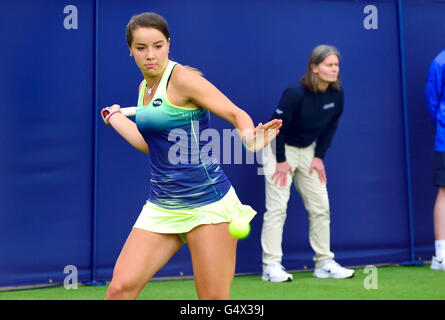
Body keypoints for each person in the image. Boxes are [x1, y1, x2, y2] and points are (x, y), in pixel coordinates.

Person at [100, 12, 282, 300]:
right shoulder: (144, 88)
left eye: (158, 46)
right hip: (162, 206)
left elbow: (236, 113)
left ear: (169, 45)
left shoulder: (182, 79)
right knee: (119, 291)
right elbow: (150, 144)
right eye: (141, 48)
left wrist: (249, 137)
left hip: (208, 207)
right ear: (131, 50)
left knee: (212, 301)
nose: (151, 56)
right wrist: (116, 119)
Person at [260, 45, 354, 282]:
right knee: (277, 208)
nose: (335, 70)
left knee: (321, 207)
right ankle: (270, 266)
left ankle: (324, 263)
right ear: (314, 67)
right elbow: (275, 127)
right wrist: (281, 160)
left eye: (336, 65)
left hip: (309, 152)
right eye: (329, 65)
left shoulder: (337, 94)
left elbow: (331, 126)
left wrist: (319, 156)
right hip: (278, 150)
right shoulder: (295, 93)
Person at [425, 49, 445, 271]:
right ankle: (441, 255)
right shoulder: (440, 62)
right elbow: (432, 100)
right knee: (444, 191)